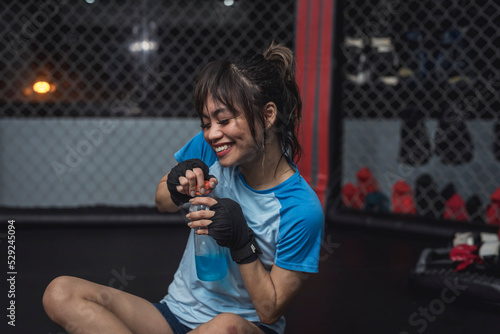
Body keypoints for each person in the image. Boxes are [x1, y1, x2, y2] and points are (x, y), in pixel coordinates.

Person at [42, 43, 324, 334]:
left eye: (224, 120)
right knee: (61, 292)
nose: (213, 133)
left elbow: (268, 311)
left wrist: (243, 242)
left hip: (244, 325)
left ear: (267, 115)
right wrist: (177, 186)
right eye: (206, 123)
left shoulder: (301, 209)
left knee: (225, 327)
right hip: (174, 314)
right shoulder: (210, 148)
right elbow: (162, 201)